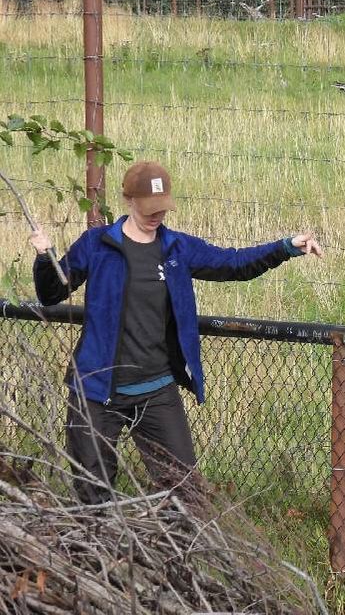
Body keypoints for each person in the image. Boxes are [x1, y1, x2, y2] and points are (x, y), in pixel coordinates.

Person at [28, 160, 323, 504]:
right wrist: (44, 256)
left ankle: (171, 558)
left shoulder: (177, 248)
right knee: (93, 494)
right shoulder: (97, 244)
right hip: (95, 390)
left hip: (156, 390)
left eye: (162, 208)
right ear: (129, 201)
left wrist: (286, 246)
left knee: (185, 491)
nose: (157, 215)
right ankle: (97, 558)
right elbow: (52, 294)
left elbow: (234, 264)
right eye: (149, 208)